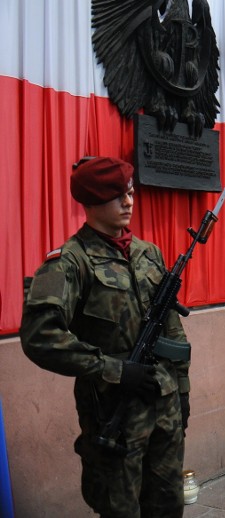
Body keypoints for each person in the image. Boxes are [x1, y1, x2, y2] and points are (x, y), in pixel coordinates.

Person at [19, 156, 190, 517]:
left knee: (168, 505)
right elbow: (39, 336)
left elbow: (172, 329)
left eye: (130, 192)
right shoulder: (69, 262)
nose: (129, 202)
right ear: (92, 202)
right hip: (114, 414)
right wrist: (112, 368)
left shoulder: (149, 253)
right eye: (118, 196)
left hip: (164, 408)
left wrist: (183, 394)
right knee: (120, 510)